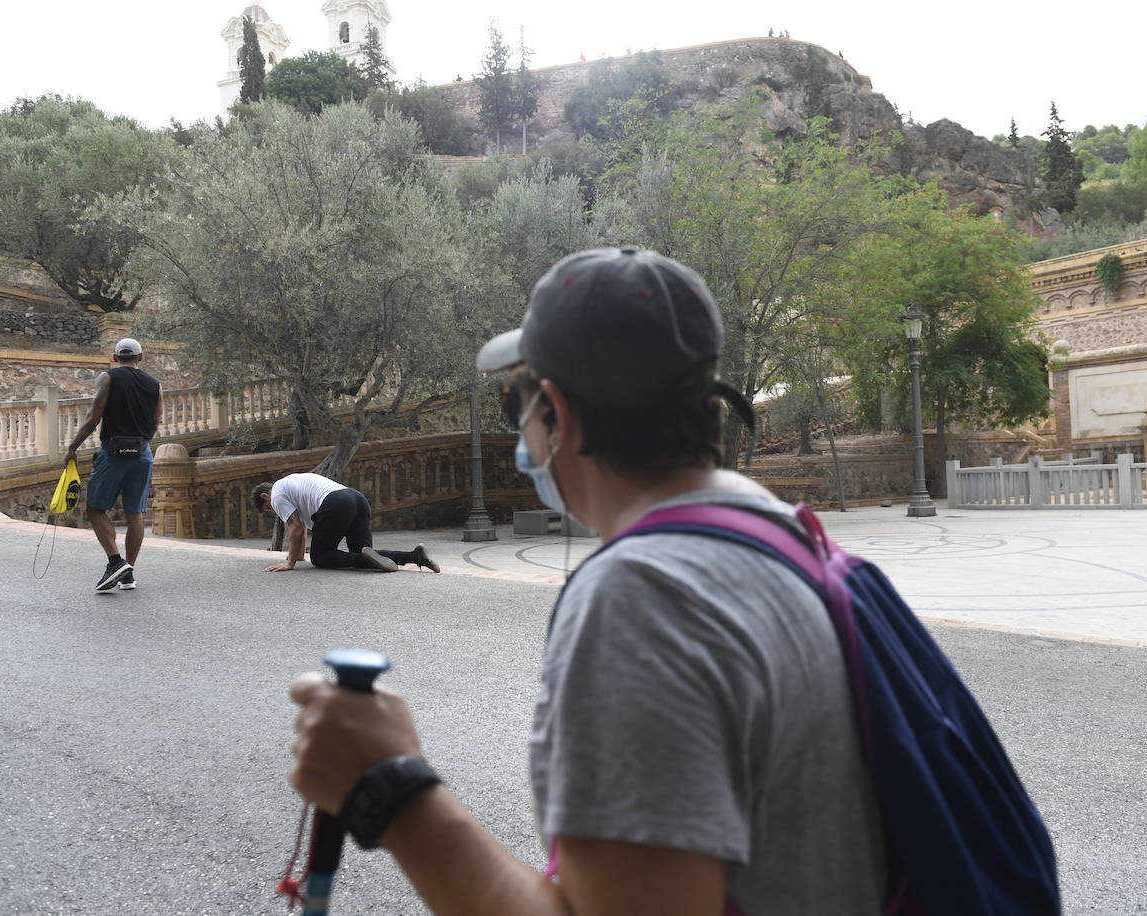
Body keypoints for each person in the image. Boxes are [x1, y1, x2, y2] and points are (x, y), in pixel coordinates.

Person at [287, 248, 887, 913]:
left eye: (517, 402)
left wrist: (388, 787)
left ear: (558, 418)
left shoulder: (645, 598)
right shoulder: (782, 531)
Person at [64, 338, 162, 592]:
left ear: (115, 358)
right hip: (142, 452)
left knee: (96, 508)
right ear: (140, 357)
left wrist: (73, 447)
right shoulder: (155, 385)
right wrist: (140, 440)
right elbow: (155, 421)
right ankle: (128, 574)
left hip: (113, 451)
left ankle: (115, 562)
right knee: (135, 514)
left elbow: (93, 417)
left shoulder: (108, 378)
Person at [251, 472, 440, 574]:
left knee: (320, 557)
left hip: (336, 504)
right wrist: (298, 556)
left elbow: (297, 529)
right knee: (363, 554)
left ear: (265, 496)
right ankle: (416, 556)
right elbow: (300, 528)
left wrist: (289, 563)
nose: (274, 511)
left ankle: (371, 560)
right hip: (357, 499)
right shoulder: (292, 481)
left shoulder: (276, 495)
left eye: (268, 508)